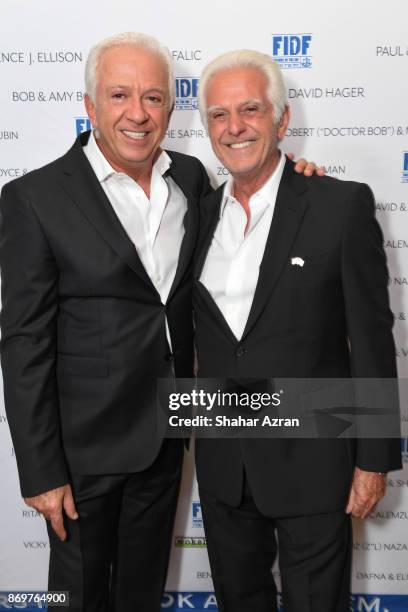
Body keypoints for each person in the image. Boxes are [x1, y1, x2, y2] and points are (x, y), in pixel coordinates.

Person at [0, 33, 320, 612]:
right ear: (91, 106)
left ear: (171, 109)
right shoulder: (33, 198)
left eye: (154, 97)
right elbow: (23, 343)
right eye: (120, 95)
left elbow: (258, 209)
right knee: (72, 598)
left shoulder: (193, 181)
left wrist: (298, 179)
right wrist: (41, 470)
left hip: (166, 439)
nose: (138, 112)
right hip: (80, 455)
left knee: (140, 594)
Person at [193, 49, 402, 612]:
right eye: (218, 114)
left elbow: (373, 338)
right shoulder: (193, 214)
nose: (234, 127)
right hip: (223, 469)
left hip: (315, 462)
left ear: (282, 121)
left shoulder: (340, 205)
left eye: (250, 110)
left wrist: (374, 458)